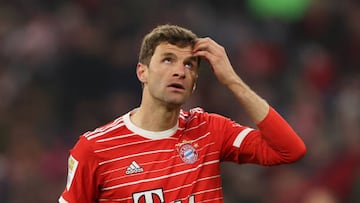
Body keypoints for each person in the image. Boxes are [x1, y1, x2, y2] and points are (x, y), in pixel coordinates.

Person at [58, 24, 306, 203]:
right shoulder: (96, 148)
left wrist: (232, 81)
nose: (180, 71)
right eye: (168, 60)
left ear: (194, 82)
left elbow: (289, 150)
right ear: (142, 72)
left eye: (189, 64)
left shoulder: (209, 130)